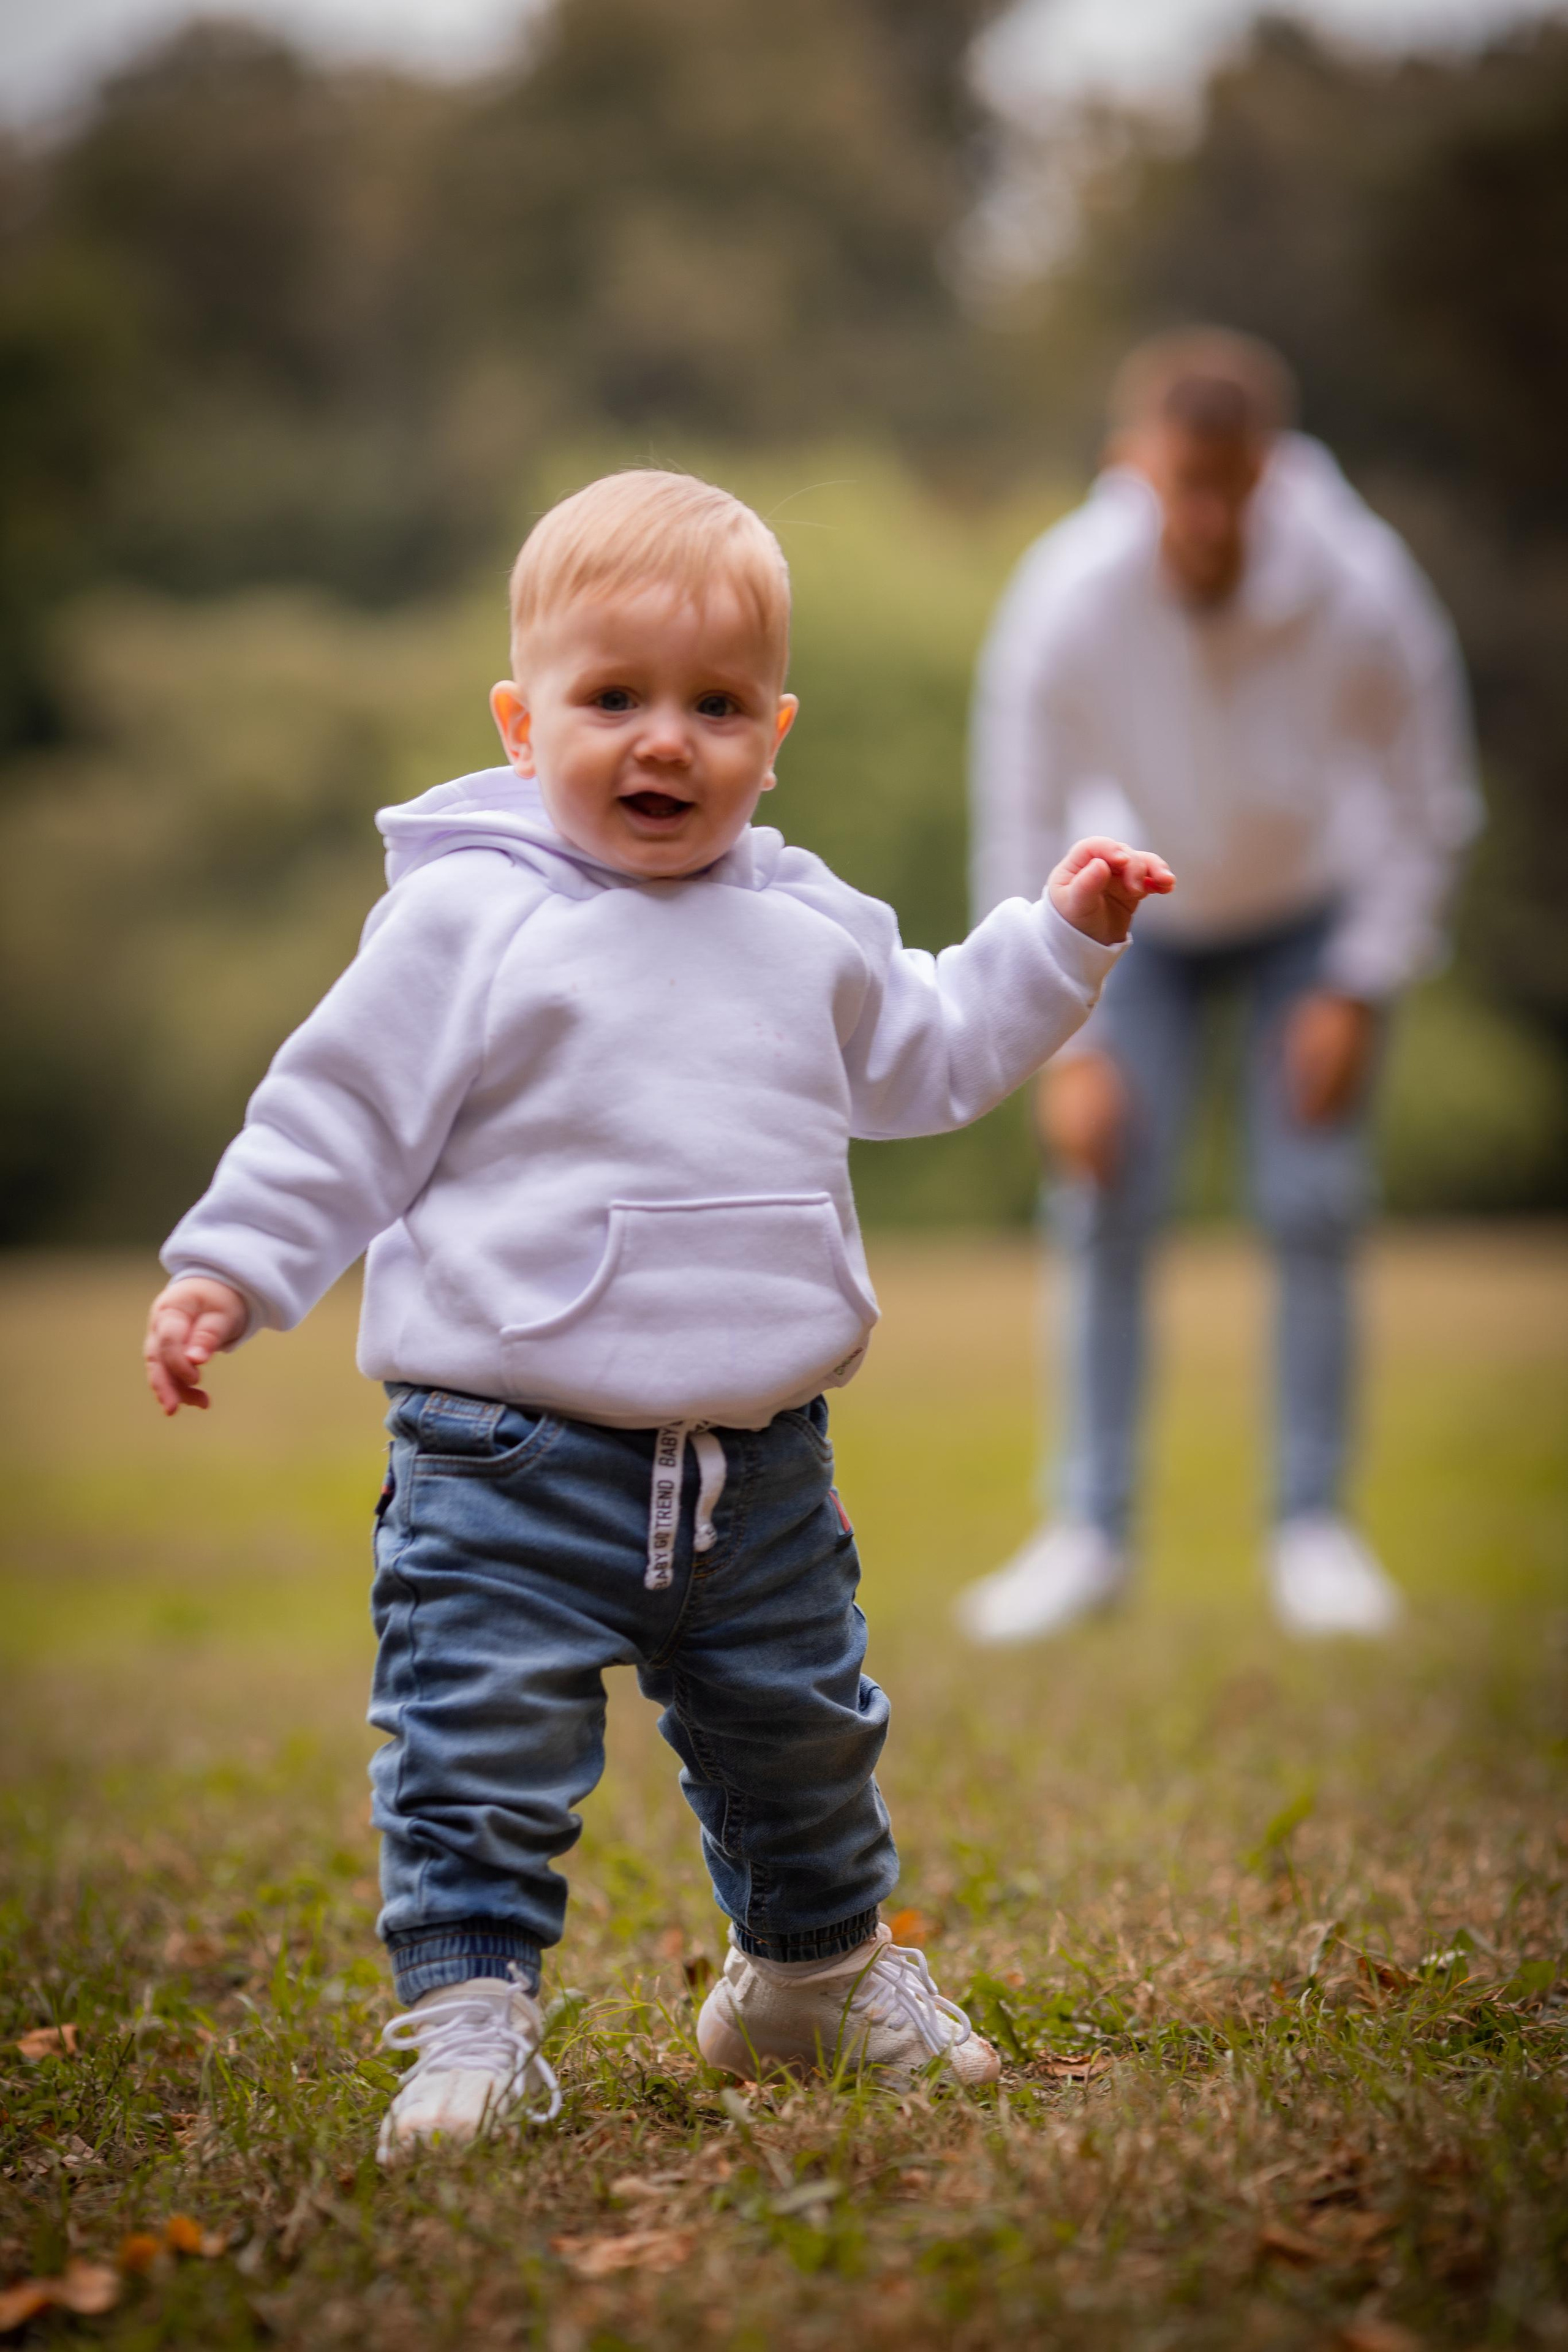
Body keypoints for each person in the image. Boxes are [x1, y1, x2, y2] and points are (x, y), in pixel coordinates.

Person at [141, 470, 1174, 2157]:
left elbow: (931, 1047)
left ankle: (811, 1980)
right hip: (506, 1456)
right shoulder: (473, 918)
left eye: (710, 707)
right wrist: (230, 1268)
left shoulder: (802, 926)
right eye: (612, 698)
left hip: (757, 1467)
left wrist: (1062, 936)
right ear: (521, 713)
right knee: (477, 1744)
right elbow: (338, 1111)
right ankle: (471, 2026)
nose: (662, 742)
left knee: (804, 1741)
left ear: (773, 733)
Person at [956, 329, 1480, 1648]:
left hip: (1312, 909)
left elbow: (1427, 802)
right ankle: (1087, 1531)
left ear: (1269, 477)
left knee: (1307, 1205)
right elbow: (1014, 820)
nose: (1201, 519)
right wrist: (1051, 1040)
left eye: (1227, 491)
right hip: (1138, 904)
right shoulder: (1064, 595)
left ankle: (1312, 1530)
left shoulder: (1361, 585)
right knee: (1102, 1203)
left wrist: (1358, 985)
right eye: (1176, 487)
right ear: (1132, 468)